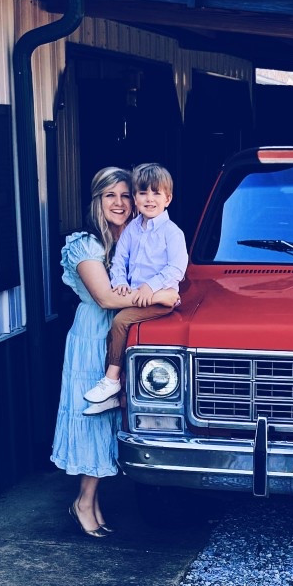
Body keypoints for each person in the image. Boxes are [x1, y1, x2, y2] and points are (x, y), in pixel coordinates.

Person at [51, 166, 144, 537]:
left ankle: (95, 500)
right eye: (110, 196)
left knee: (117, 418)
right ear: (97, 201)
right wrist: (156, 295)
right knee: (95, 416)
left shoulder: (138, 241)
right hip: (95, 334)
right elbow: (105, 297)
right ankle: (83, 502)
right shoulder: (85, 245)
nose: (119, 203)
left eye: (125, 195)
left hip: (130, 332)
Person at [83, 162, 187, 411]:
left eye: (156, 193)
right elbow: (120, 259)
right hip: (136, 294)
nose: (149, 199)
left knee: (120, 322)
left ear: (168, 199)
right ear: (136, 198)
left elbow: (177, 268)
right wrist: (119, 281)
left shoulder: (172, 233)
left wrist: (150, 288)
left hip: (159, 297)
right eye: (142, 193)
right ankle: (116, 393)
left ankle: (111, 380)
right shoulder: (132, 229)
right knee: (122, 332)